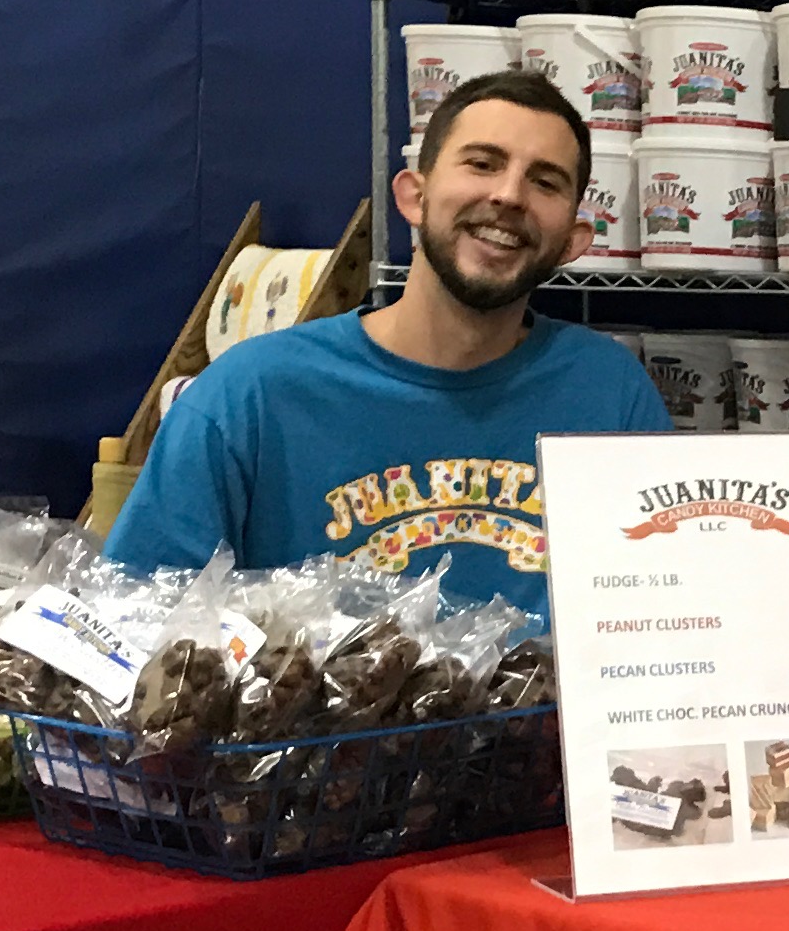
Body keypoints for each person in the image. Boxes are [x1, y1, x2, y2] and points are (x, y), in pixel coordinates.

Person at [111, 68, 666, 614]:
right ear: (413, 197)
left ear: (573, 240)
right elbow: (134, 620)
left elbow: (670, 611)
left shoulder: (610, 394)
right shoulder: (249, 395)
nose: (509, 195)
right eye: (482, 163)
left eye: (545, 182)